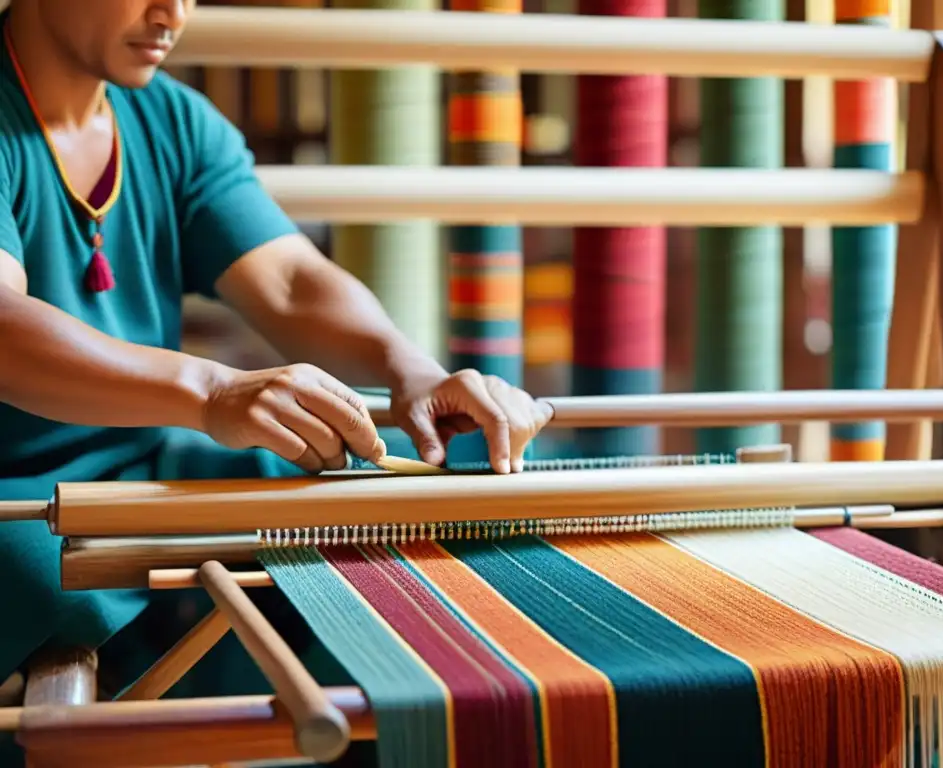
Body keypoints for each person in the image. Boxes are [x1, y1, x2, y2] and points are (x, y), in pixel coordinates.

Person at [0, 0, 552, 733]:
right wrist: (213, 391)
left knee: (386, 489)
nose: (174, 13)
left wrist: (408, 369)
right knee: (43, 586)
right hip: (16, 498)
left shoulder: (174, 122)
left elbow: (290, 281)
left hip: (145, 464)